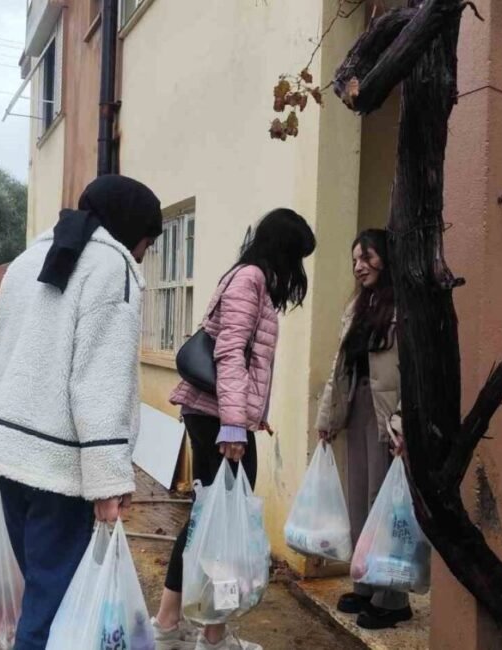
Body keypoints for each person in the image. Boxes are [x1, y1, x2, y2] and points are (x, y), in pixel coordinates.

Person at [0, 174, 162, 650]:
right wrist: (109, 482)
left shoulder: (26, 261)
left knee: (36, 592)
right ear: (133, 228)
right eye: (149, 240)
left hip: (10, 457)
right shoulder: (110, 269)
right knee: (52, 607)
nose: (145, 252)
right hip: (61, 471)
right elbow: (100, 382)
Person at [153, 208, 317, 650]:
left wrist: (244, 418)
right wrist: (233, 426)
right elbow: (229, 352)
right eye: (297, 256)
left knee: (209, 520)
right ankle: (203, 632)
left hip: (219, 416)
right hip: (218, 420)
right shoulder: (251, 280)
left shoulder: (250, 279)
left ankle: (181, 626)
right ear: (282, 250)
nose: (297, 269)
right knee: (222, 523)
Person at [316, 228, 426, 630]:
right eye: (355, 260)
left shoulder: (406, 308)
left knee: (386, 503)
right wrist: (327, 419)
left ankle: (392, 597)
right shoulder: (359, 305)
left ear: (387, 260)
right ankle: (365, 583)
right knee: (360, 500)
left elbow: (415, 373)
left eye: (367, 258)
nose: (359, 267)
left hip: (388, 417)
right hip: (358, 407)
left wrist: (403, 424)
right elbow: (339, 367)